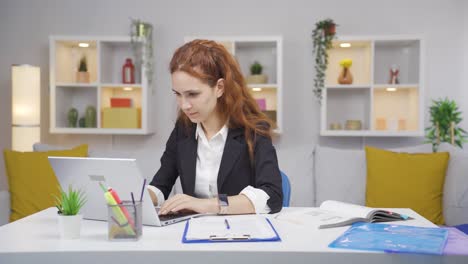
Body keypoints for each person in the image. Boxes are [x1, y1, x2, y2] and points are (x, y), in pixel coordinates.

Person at [147, 39, 283, 216]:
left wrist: (208, 205)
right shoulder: (183, 130)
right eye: (178, 94)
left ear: (219, 87)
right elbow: (160, 186)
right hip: (193, 234)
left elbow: (272, 196)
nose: (184, 105)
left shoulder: (254, 130)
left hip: (240, 234)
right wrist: (136, 198)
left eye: (193, 94)